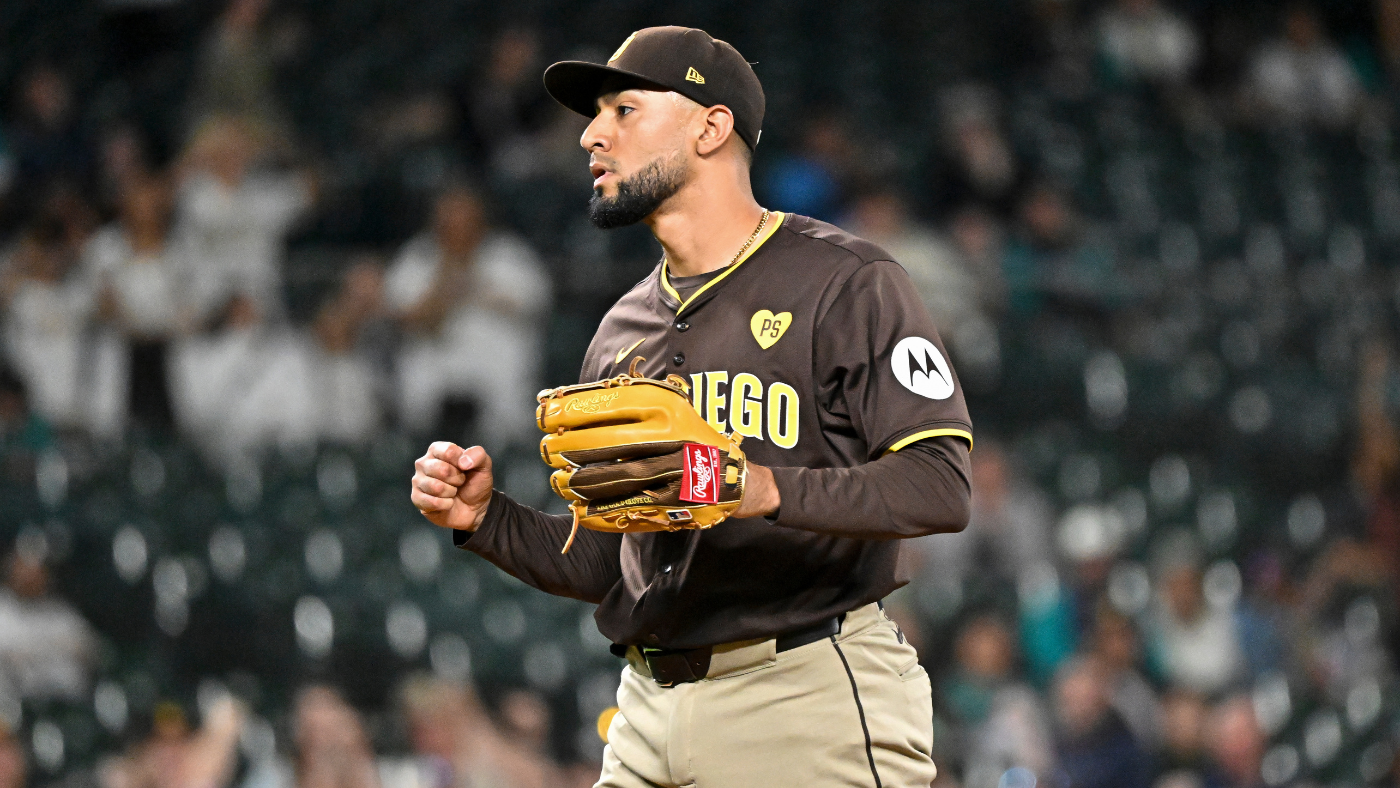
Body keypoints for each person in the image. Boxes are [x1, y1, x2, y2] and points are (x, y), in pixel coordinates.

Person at [411, 26, 974, 787]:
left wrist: (763, 487)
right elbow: (612, 561)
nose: (591, 135)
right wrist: (487, 520)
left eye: (624, 110)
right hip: (647, 708)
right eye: (596, 115)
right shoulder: (620, 330)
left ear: (711, 128)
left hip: (802, 694)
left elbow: (942, 484)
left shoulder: (845, 283)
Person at [386, 185, 551, 447]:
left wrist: (478, 284)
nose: (457, 227)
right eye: (449, 219)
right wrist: (445, 283)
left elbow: (535, 303)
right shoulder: (417, 258)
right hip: (433, 389)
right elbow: (403, 318)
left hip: (498, 392)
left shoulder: (508, 256)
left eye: (465, 218)